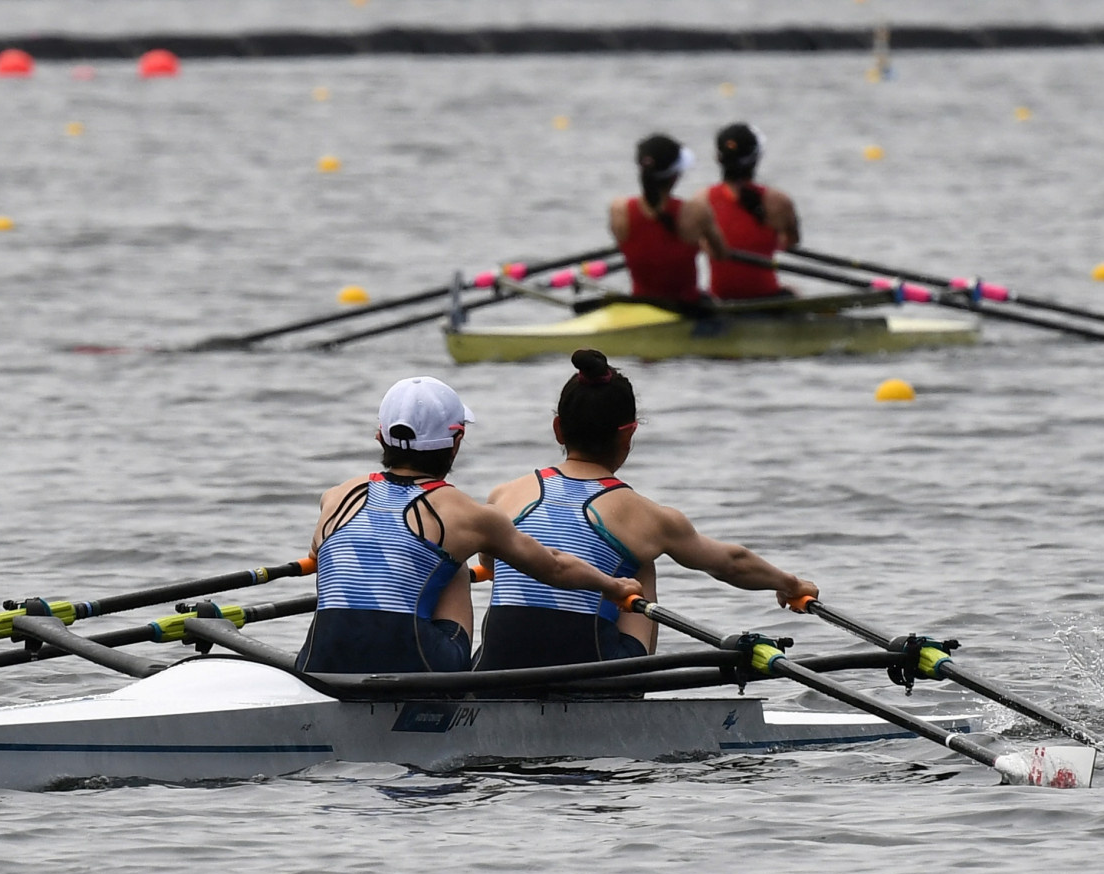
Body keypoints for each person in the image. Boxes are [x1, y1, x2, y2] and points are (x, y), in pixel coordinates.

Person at [473, 349, 818, 671]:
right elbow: (731, 563)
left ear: (558, 429)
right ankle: (626, 694)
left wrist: (489, 569)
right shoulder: (647, 517)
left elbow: (488, 562)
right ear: (629, 433)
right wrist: (789, 583)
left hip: (496, 667)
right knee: (640, 562)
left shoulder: (505, 495)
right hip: (591, 669)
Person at [296, 376, 643, 675]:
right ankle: (456, 700)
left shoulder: (335, 497)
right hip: (414, 664)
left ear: (379, 437)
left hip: (316, 661)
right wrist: (613, 586)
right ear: (457, 440)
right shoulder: (472, 516)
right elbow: (554, 567)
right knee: (455, 566)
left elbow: (318, 557)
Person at [608, 134, 727, 315]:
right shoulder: (696, 212)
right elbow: (721, 254)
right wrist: (699, 245)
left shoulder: (618, 210)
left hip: (640, 305)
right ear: (675, 176)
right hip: (687, 309)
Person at [704, 122, 802, 301]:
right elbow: (791, 242)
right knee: (794, 293)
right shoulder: (779, 201)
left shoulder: (701, 202)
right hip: (766, 297)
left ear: (717, 158)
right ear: (757, 157)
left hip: (719, 300)